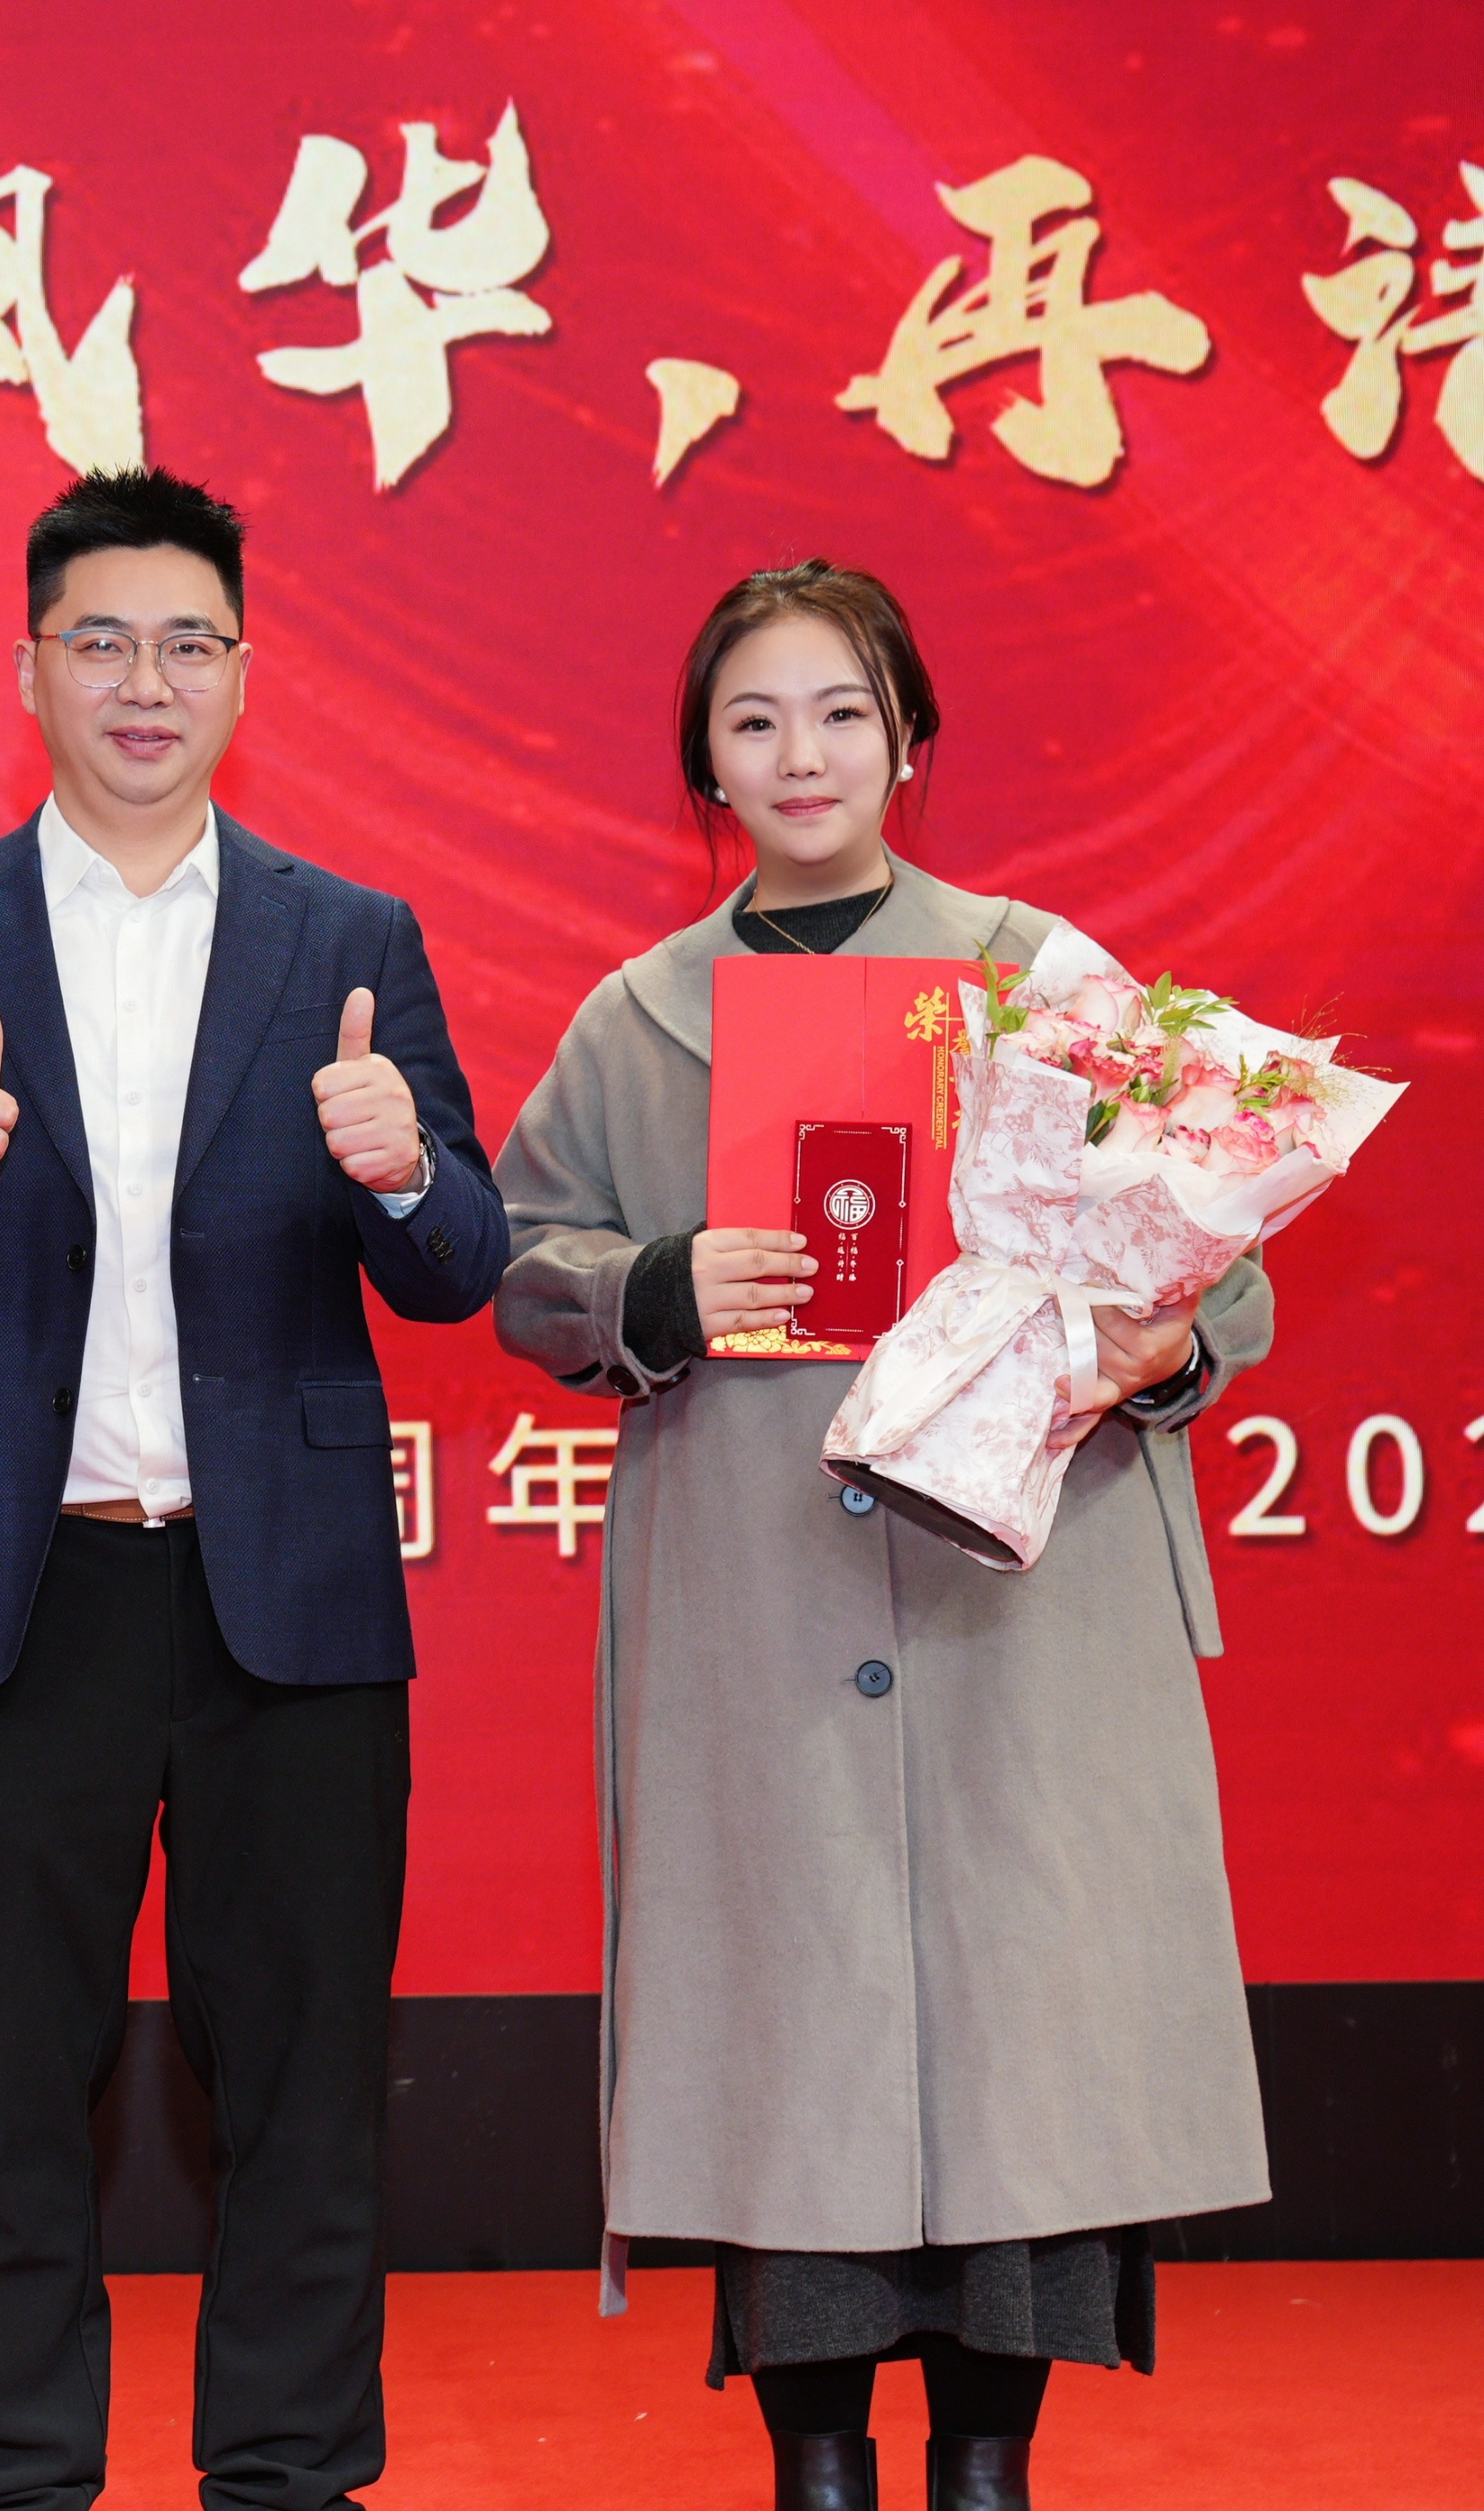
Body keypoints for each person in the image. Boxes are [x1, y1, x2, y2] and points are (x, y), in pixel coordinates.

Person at [0, 468, 507, 2511]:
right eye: (100, 640)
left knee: (307, 2084)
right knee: (5, 2080)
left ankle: (288, 2475)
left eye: (187, 642)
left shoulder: (353, 938)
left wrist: (404, 1167)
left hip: (290, 1603)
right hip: (18, 1598)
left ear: (245, 675)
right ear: (30, 671)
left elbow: (465, 1270)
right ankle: (8, 2477)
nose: (144, 681)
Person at [491, 560, 1270, 2511]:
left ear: (909, 737)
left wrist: (1158, 1334)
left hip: (1021, 1615)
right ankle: (815, 2465)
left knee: (1019, 2048)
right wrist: (657, 1282)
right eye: (754, 720)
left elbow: (1222, 1258)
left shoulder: (1043, 979)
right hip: (765, 1609)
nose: (803, 753)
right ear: (706, 765)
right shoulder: (635, 1020)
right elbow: (521, 1264)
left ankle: (992, 2466)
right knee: (795, 2043)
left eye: (843, 710)